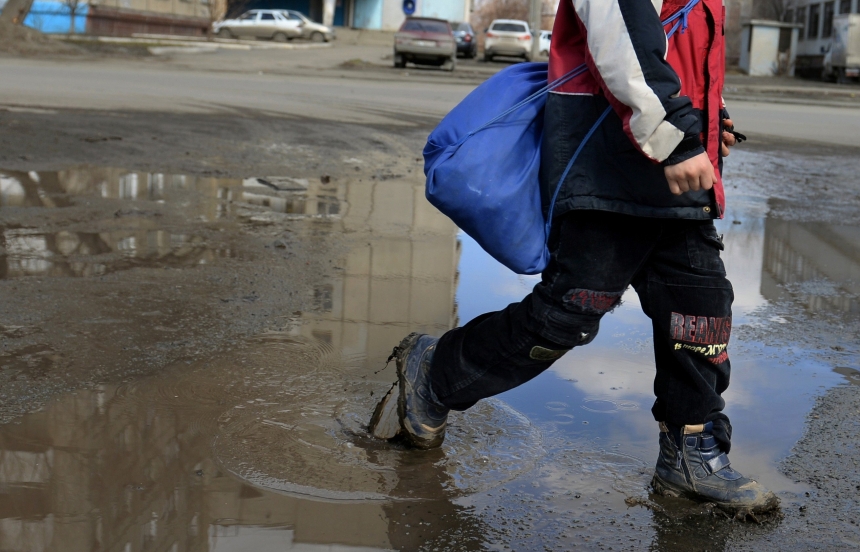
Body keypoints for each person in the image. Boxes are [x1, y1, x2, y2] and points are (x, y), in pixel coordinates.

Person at [369, 0, 779, 515]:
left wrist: (705, 114)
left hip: (673, 176)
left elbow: (680, 49)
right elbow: (622, 34)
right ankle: (438, 372)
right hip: (609, 165)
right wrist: (673, 133)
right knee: (567, 314)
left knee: (701, 314)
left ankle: (690, 453)